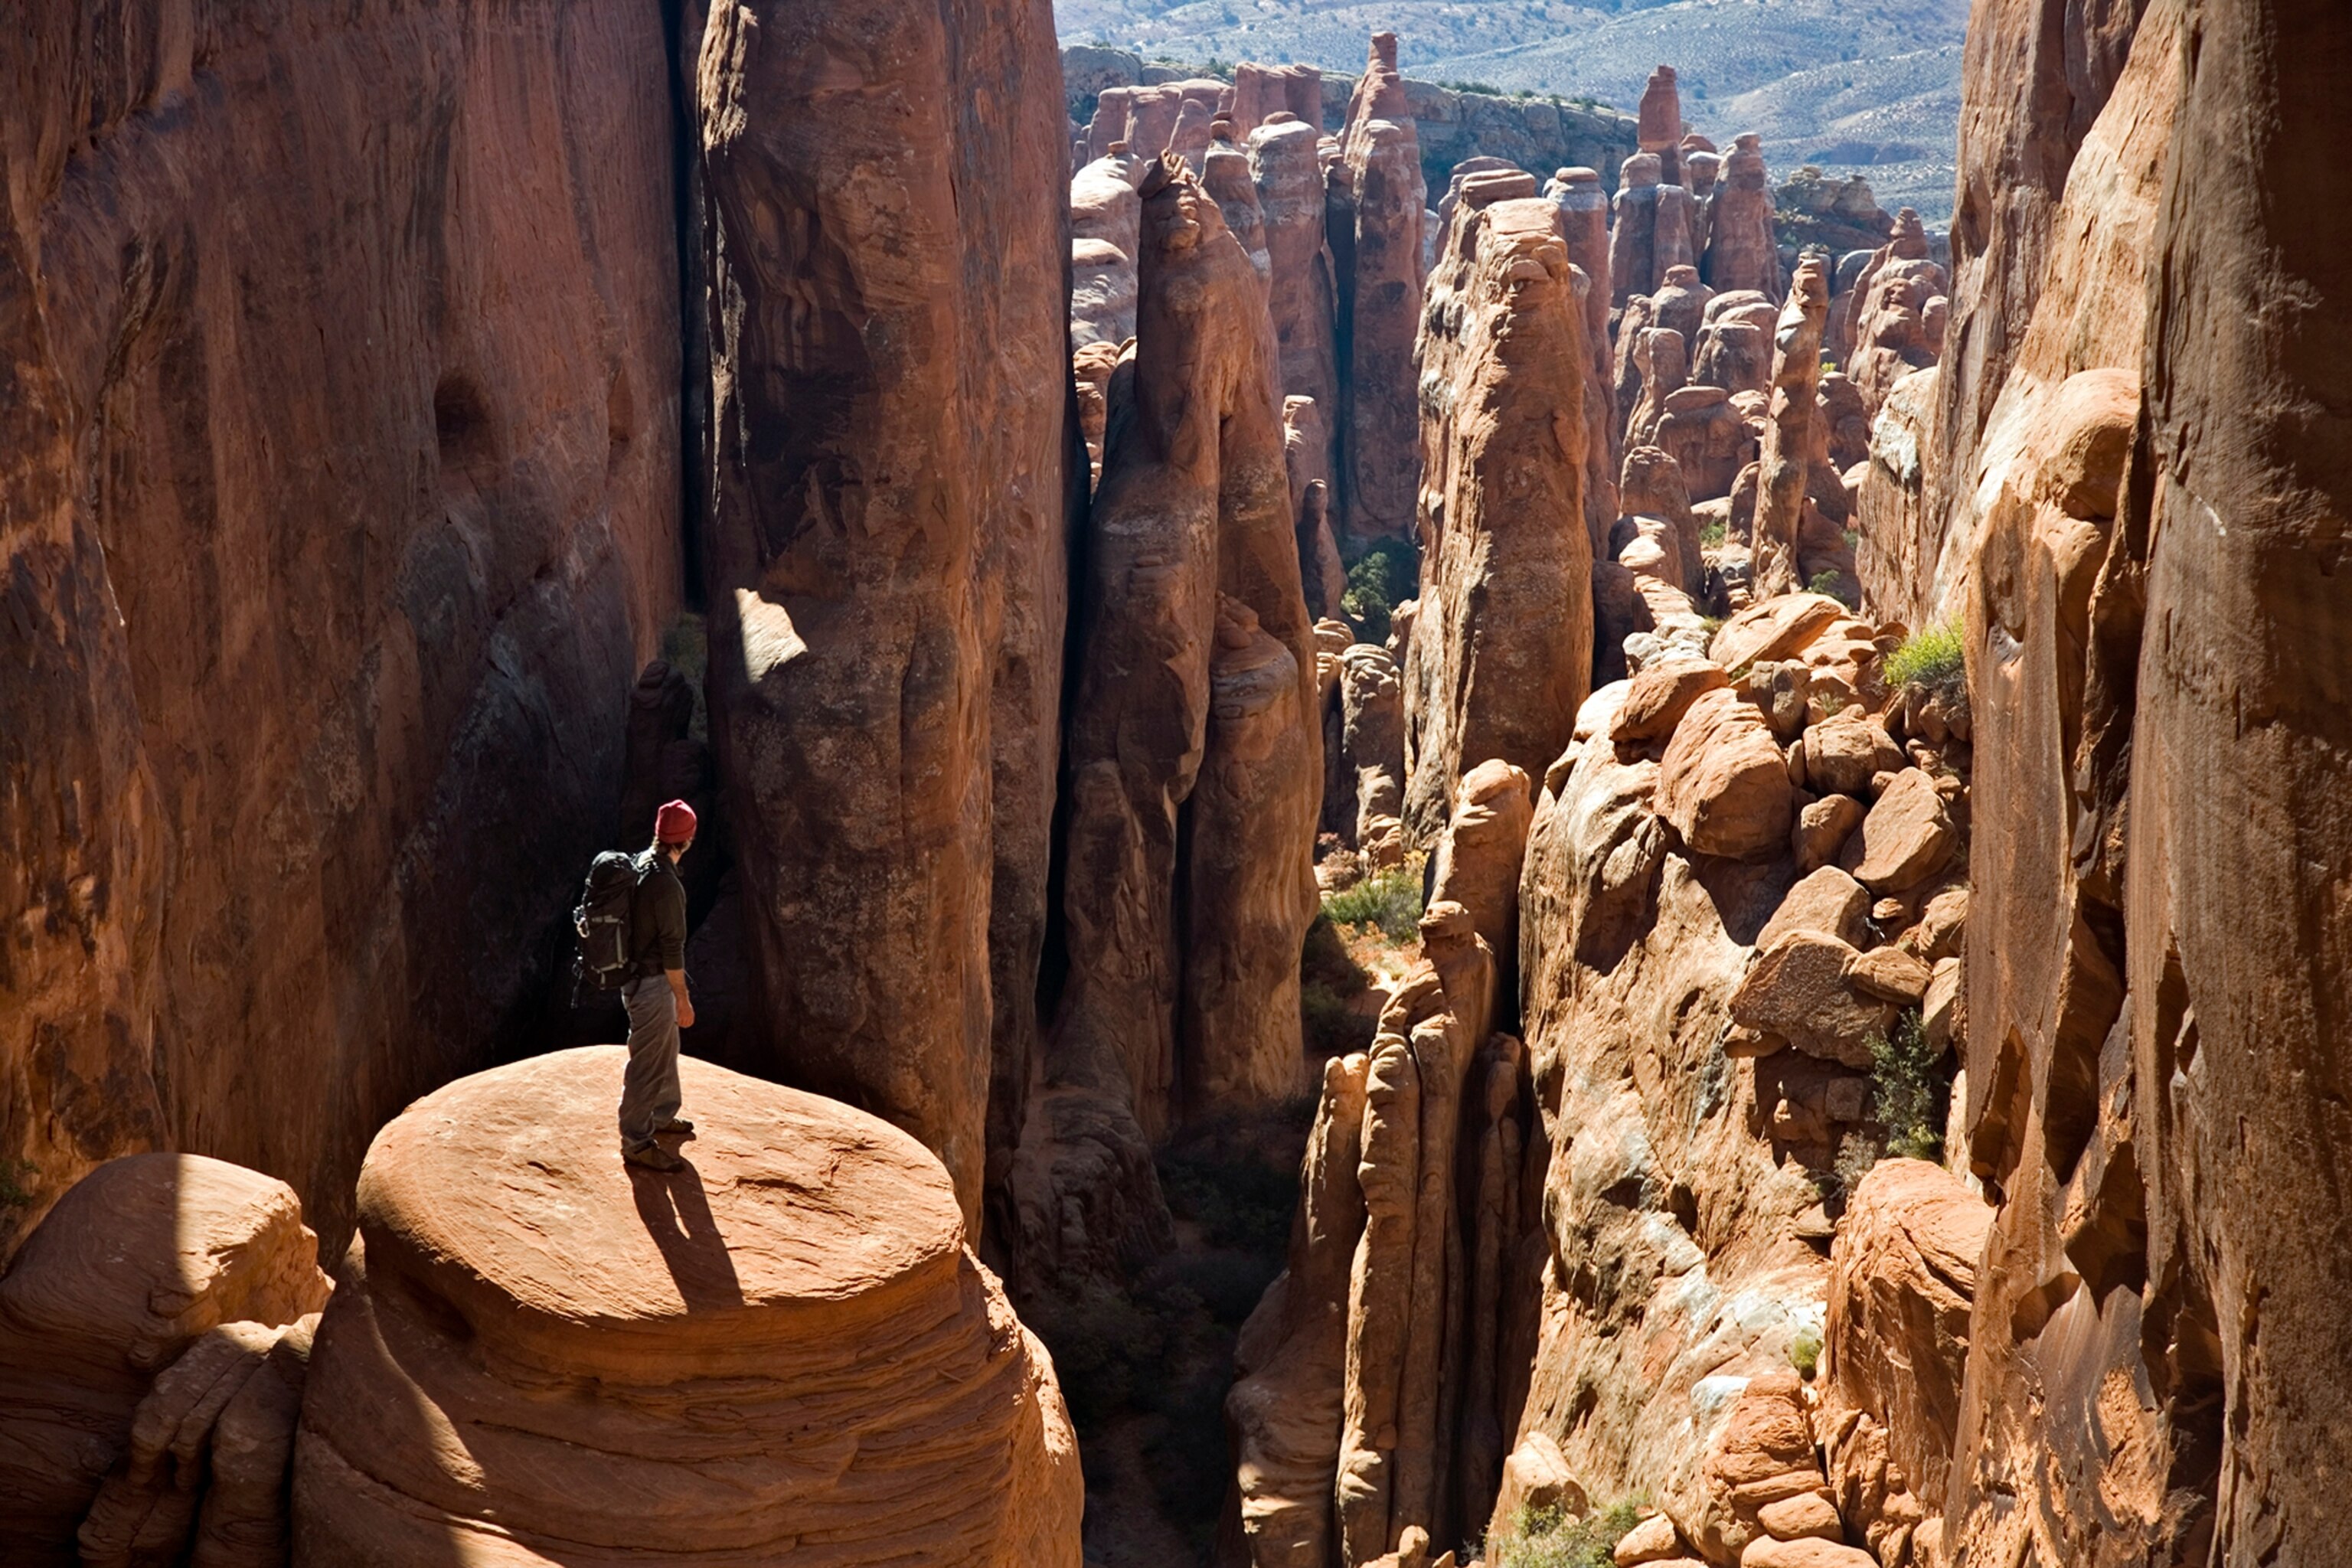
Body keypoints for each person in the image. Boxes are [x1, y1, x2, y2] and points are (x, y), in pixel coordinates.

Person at [619, 799, 697, 1172]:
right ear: (687, 840)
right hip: (651, 984)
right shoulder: (666, 885)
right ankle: (636, 1141)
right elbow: (672, 950)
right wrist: (682, 1000)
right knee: (647, 1061)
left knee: (666, 1047)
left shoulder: (640, 863)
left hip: (636, 976)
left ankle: (664, 1113)